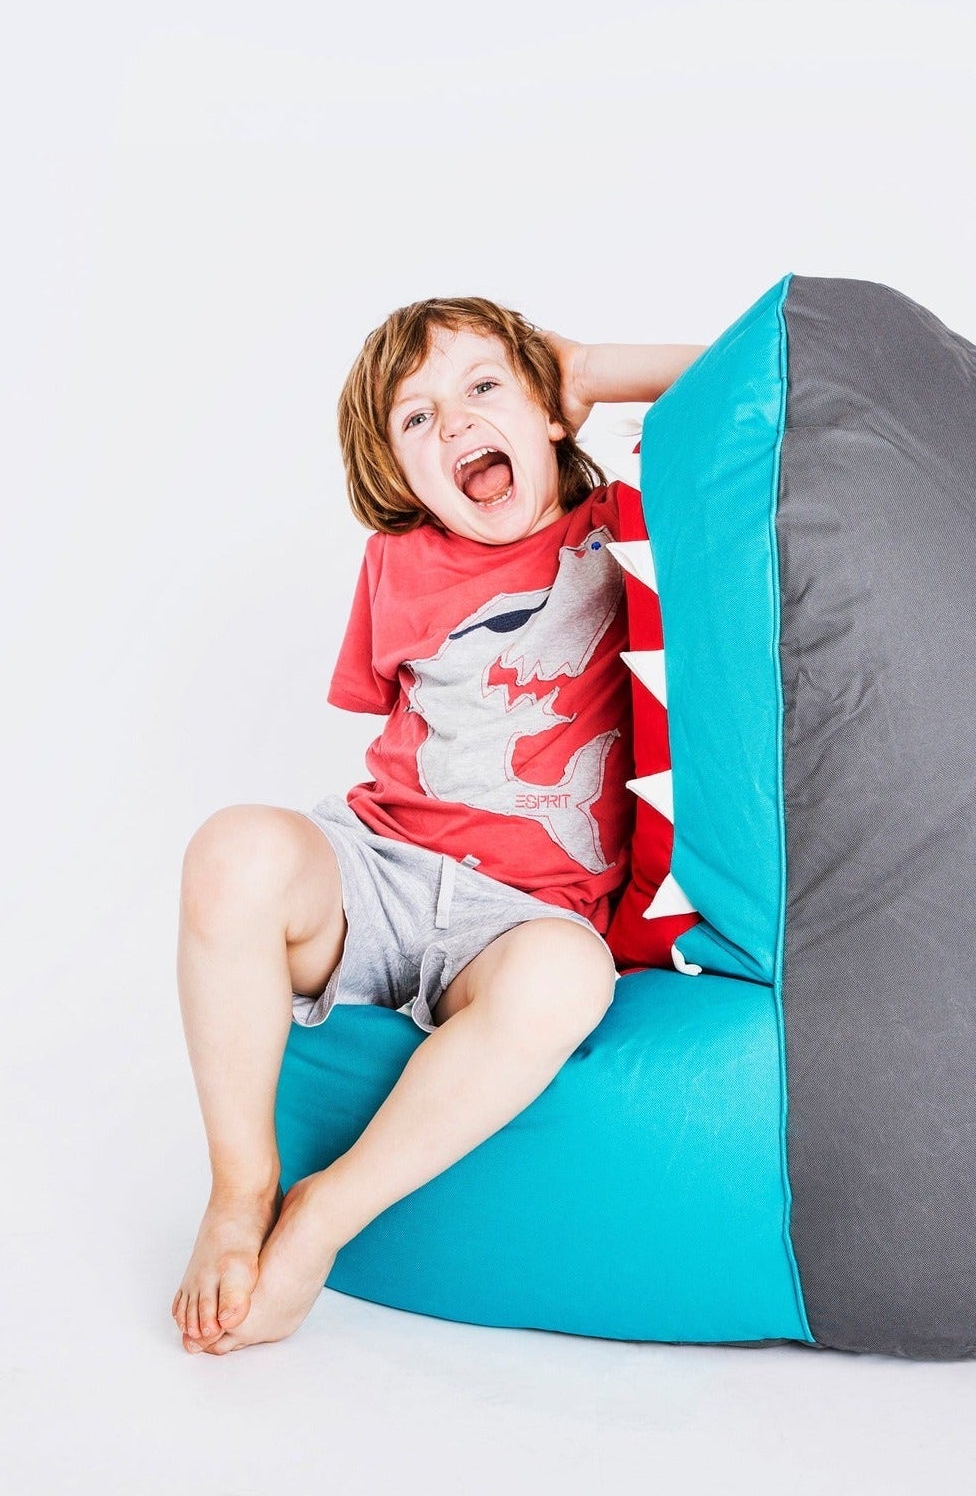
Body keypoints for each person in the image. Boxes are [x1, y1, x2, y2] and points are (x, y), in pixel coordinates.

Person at [170, 297, 701, 1354]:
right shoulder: (399, 563)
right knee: (234, 849)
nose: (455, 425)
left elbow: (749, 400)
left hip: (525, 914)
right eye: (417, 420)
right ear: (401, 475)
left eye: (484, 388)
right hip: (385, 866)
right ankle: (242, 1188)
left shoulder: (620, 533)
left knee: (568, 979)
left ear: (550, 413)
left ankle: (326, 1212)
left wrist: (587, 366)